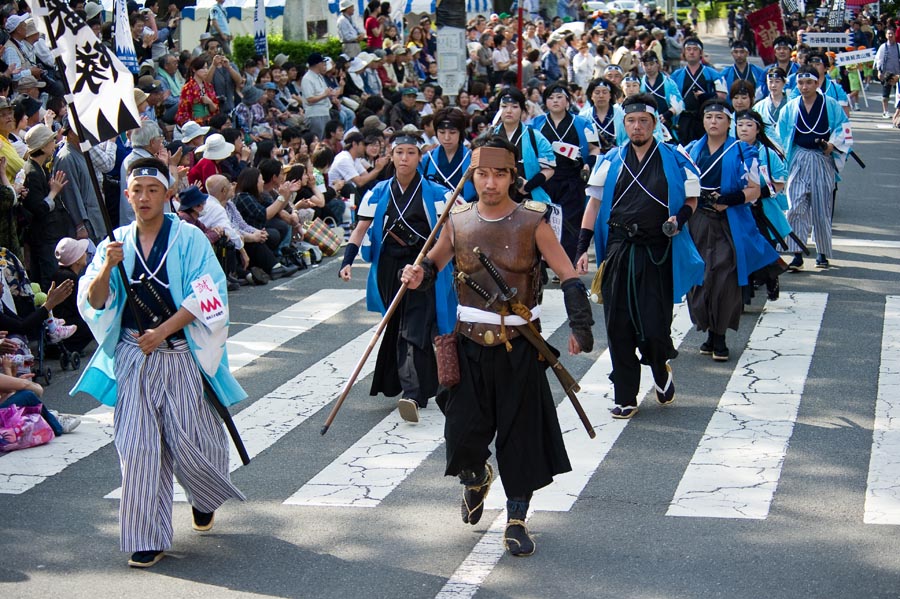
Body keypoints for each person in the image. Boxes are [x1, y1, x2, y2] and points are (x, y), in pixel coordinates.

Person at [400, 135, 594, 557]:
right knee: (463, 433)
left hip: (519, 344)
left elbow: (569, 274)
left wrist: (580, 326)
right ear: (472, 176)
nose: (490, 183)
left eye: (499, 174)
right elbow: (432, 263)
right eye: (482, 174)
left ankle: (517, 518)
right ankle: (476, 477)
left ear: (511, 176)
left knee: (520, 435)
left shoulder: (534, 221)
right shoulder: (457, 220)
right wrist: (417, 275)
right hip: (468, 344)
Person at [73, 157, 246, 569]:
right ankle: (147, 534)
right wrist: (107, 268)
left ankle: (203, 496)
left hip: (179, 354)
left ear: (167, 194)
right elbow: (94, 303)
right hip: (135, 355)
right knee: (137, 446)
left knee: (193, 442)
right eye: (138, 191)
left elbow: (208, 295)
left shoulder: (189, 239)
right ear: (128, 196)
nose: (145, 197)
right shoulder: (114, 243)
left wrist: (164, 330)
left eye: (154, 190)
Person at [576, 94, 704, 419]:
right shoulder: (610, 160)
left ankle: (660, 368)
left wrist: (680, 220)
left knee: (654, 325)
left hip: (657, 250)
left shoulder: (675, 158)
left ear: (654, 123)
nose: (637, 127)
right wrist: (582, 248)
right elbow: (593, 204)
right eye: (631, 121)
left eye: (643, 121)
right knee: (618, 325)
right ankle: (625, 394)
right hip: (619, 250)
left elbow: (691, 199)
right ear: (624, 124)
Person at [338, 129, 457, 423]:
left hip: (423, 267)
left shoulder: (438, 193)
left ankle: (413, 393)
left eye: (411, 153)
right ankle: (423, 385)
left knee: (414, 326)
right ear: (391, 157)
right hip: (390, 268)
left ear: (420, 158)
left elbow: (452, 235)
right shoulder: (377, 192)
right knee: (399, 324)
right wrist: (347, 261)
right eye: (399, 153)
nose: (404, 158)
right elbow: (361, 229)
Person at [685, 99, 777, 361]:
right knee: (699, 277)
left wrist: (728, 200)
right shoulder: (691, 150)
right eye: (709, 117)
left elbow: (755, 190)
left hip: (729, 222)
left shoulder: (742, 152)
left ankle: (721, 335)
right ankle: (709, 330)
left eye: (720, 117)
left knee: (724, 277)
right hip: (697, 222)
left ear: (729, 123)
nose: (713, 122)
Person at [777, 66, 852, 270]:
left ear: (817, 83)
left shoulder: (831, 105)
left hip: (822, 158)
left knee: (821, 207)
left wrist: (832, 145)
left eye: (809, 82)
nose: (804, 87)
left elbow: (844, 128)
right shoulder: (790, 108)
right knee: (795, 206)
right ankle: (797, 252)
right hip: (798, 157)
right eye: (800, 83)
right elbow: (780, 137)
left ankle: (822, 252)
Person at [530, 83, 598, 262]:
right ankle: (544, 262)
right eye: (551, 98)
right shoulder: (536, 124)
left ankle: (567, 263)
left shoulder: (582, 123)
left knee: (570, 222)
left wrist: (588, 165)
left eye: (559, 97)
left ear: (568, 101)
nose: (555, 101)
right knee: (544, 220)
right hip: (545, 180)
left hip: (573, 179)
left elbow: (594, 149)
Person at [734, 109, 791, 301]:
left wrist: (761, 192)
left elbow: (781, 179)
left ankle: (771, 277)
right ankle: (744, 291)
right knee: (742, 250)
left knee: (765, 248)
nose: (744, 129)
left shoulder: (768, 153)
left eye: (749, 125)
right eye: (740, 125)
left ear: (758, 129)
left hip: (763, 209)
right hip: (739, 209)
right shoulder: (731, 150)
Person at [21, 124, 68, 291]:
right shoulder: (32, 173)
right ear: (42, 146)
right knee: (49, 280)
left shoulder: (39, 168)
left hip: (49, 235)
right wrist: (53, 192)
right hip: (43, 237)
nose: (54, 144)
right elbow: (39, 209)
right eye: (51, 141)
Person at [491, 87, 555, 205]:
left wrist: (529, 185)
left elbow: (549, 168)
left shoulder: (535, 137)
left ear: (522, 110)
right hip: (496, 196)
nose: (509, 111)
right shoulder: (490, 137)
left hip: (529, 197)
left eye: (515, 107)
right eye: (504, 106)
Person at [671, 37, 725, 144]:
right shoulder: (676, 75)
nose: (691, 52)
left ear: (701, 53)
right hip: (683, 118)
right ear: (684, 53)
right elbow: (671, 98)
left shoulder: (712, 73)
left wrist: (706, 96)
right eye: (688, 49)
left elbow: (722, 95)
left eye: (695, 49)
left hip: (705, 117)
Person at [419, 108, 476, 202]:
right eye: (441, 132)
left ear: (460, 133)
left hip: (466, 211)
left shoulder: (472, 158)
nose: (446, 138)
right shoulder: (427, 160)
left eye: (452, 132)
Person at [50, 237, 94, 353]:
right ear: (77, 260)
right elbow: (80, 305)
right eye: (82, 252)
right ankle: (70, 348)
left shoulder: (58, 274)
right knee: (94, 319)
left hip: (60, 322)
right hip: (66, 323)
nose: (85, 254)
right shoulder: (70, 278)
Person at [301, 53, 334, 141]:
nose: (324, 65)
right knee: (317, 140)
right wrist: (324, 94)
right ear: (317, 64)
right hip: (315, 114)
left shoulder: (320, 76)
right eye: (322, 62)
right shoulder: (307, 78)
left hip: (325, 111)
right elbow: (310, 99)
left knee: (326, 139)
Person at [874, 28, 900, 118]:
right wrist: (879, 71)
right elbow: (879, 60)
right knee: (886, 94)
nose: (890, 35)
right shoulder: (883, 47)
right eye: (888, 34)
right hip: (887, 74)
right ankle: (885, 111)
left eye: (892, 34)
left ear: (894, 35)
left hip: (898, 74)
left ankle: (898, 112)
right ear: (886, 35)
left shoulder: (898, 46)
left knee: (899, 94)